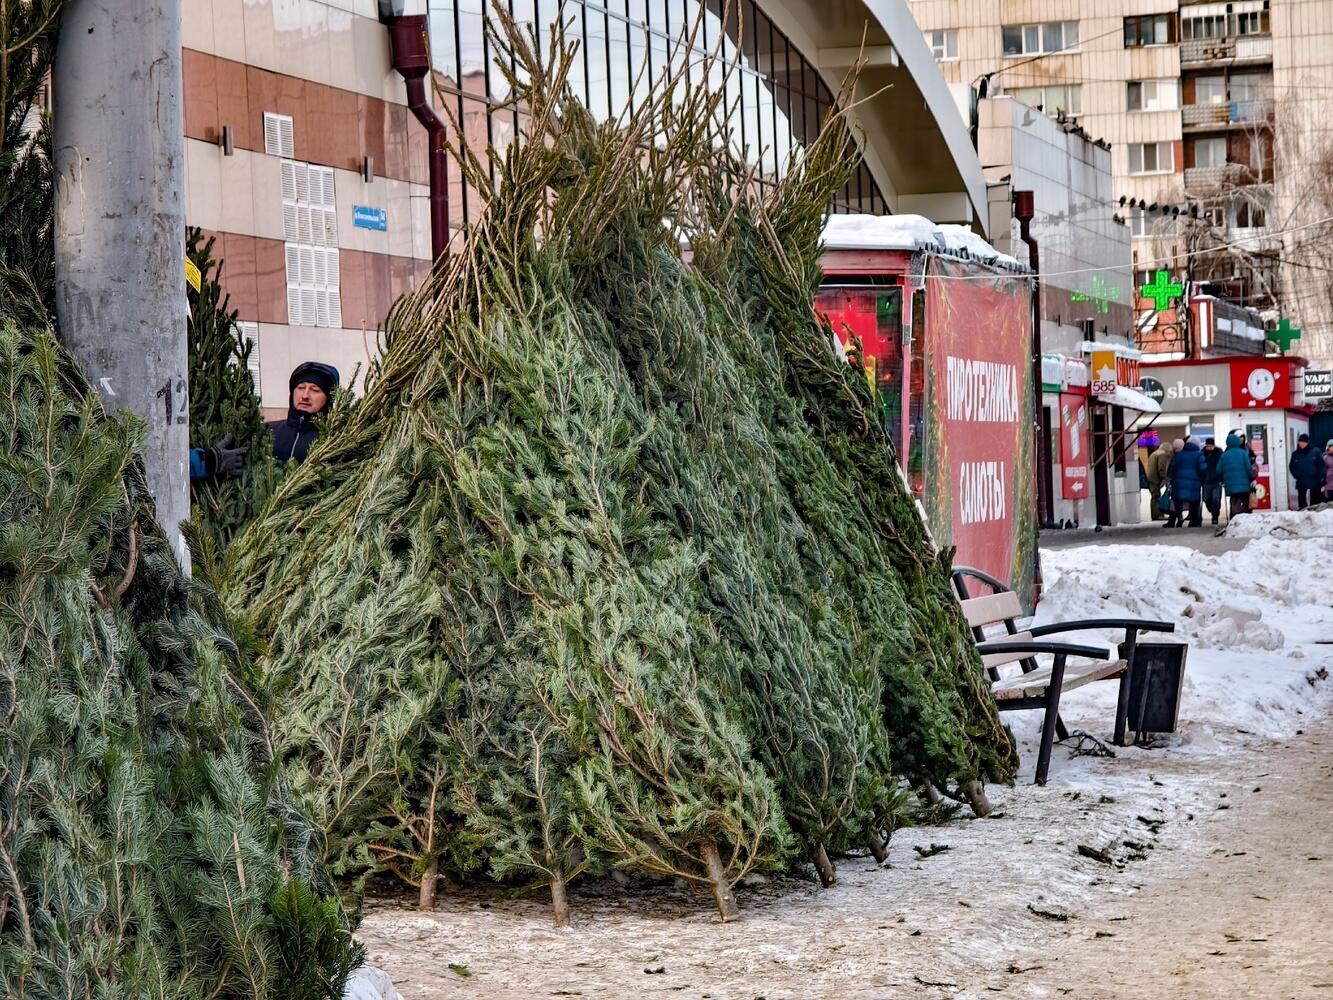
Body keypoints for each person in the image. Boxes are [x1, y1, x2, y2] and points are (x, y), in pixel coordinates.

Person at [269, 361, 340, 464]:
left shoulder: (335, 440)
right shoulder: (268, 431)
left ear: (329, 398)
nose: (305, 396)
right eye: (301, 388)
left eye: (315, 390)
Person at [1166, 437, 1205, 527]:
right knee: (1194, 503)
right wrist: (1203, 480)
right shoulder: (1199, 455)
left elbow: (1172, 467)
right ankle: (1194, 522)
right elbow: (1203, 469)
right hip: (1194, 484)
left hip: (1178, 483)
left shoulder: (1179, 455)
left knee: (1178, 502)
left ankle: (1177, 519)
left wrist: (1169, 479)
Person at [1219, 431, 1255, 519]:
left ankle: (1234, 520)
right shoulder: (1243, 453)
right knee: (1245, 503)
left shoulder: (1224, 455)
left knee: (1234, 502)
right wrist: (1252, 477)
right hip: (1244, 485)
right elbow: (1248, 468)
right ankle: (1245, 520)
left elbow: (1219, 470)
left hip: (1230, 486)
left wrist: (1222, 480)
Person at [1289, 432, 1325, 510]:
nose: (1301, 444)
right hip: (1301, 480)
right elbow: (1291, 466)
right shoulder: (1295, 454)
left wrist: (1321, 476)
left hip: (1314, 480)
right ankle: (1302, 513)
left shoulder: (1315, 452)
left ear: (1308, 443)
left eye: (1304, 442)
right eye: (1300, 442)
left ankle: (1315, 513)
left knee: (1315, 500)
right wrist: (1296, 475)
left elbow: (1321, 465)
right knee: (1302, 499)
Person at [1146, 439, 1173, 521]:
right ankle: (1156, 515)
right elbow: (1161, 468)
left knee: (1155, 496)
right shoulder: (1162, 454)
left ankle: (1157, 514)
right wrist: (1164, 478)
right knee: (1156, 497)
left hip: (1151, 477)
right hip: (1155, 479)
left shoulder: (1155, 453)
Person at [1201, 437, 1224, 526]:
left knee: (1216, 499)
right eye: (1208, 446)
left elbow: (1222, 465)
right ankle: (1213, 510)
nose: (1209, 448)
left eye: (1211, 446)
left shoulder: (1219, 452)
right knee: (1206, 499)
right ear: (1205, 445)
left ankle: (1215, 516)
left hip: (1217, 481)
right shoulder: (1202, 453)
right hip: (1206, 481)